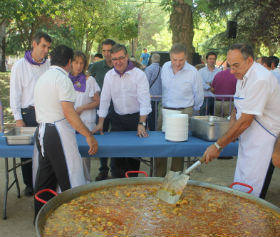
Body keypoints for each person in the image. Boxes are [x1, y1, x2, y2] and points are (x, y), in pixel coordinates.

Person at [203, 43, 280, 197]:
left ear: (250, 61)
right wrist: (232, 118)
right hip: (248, 140)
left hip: (264, 143)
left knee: (254, 197)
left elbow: (246, 120)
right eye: (230, 66)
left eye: (236, 66)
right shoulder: (242, 74)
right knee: (241, 188)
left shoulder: (260, 79)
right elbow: (238, 104)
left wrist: (218, 146)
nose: (232, 71)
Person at [33, 45, 98, 217]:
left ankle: (40, 217)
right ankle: (73, 220)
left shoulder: (43, 77)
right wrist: (88, 135)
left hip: (42, 131)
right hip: (56, 133)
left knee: (46, 179)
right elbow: (69, 113)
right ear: (69, 62)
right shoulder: (62, 79)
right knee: (69, 176)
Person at [93, 44, 151, 178]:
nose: (118, 62)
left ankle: (132, 191)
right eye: (114, 59)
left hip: (136, 119)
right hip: (117, 120)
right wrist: (101, 122)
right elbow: (105, 100)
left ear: (127, 57)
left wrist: (141, 124)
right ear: (111, 60)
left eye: (121, 58)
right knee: (117, 160)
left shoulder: (139, 75)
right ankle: (116, 192)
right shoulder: (109, 76)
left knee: (133, 160)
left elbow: (145, 101)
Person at [10, 32, 52, 196]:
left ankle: (44, 182)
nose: (46, 50)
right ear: (34, 44)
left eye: (48, 47)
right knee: (27, 152)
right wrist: (18, 118)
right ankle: (29, 183)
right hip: (27, 114)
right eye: (43, 46)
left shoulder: (48, 65)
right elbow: (15, 94)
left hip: (46, 113)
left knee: (45, 149)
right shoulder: (19, 66)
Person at [155, 43, 204, 177]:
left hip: (184, 111)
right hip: (165, 111)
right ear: (170, 57)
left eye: (181, 60)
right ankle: (158, 179)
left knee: (178, 149)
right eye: (174, 60)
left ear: (186, 58)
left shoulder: (193, 72)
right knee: (160, 146)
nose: (177, 63)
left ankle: (174, 180)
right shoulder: (164, 67)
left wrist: (192, 111)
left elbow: (199, 95)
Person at [69, 51, 100, 181]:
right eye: (76, 62)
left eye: (82, 63)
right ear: (70, 63)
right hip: (69, 123)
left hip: (86, 123)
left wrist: (82, 108)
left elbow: (97, 101)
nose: (79, 66)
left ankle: (86, 182)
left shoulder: (90, 80)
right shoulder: (65, 79)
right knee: (71, 155)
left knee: (85, 157)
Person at [89, 39, 116, 181]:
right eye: (104, 50)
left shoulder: (120, 65)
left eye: (109, 50)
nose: (106, 54)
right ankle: (103, 169)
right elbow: (85, 78)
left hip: (118, 109)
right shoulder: (96, 66)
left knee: (118, 139)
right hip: (101, 109)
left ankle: (117, 170)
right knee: (101, 138)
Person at [145, 53, 161, 131]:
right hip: (160, 96)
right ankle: (157, 129)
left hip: (151, 95)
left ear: (151, 59)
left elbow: (146, 83)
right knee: (157, 115)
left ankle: (152, 129)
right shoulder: (162, 69)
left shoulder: (148, 69)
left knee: (151, 115)